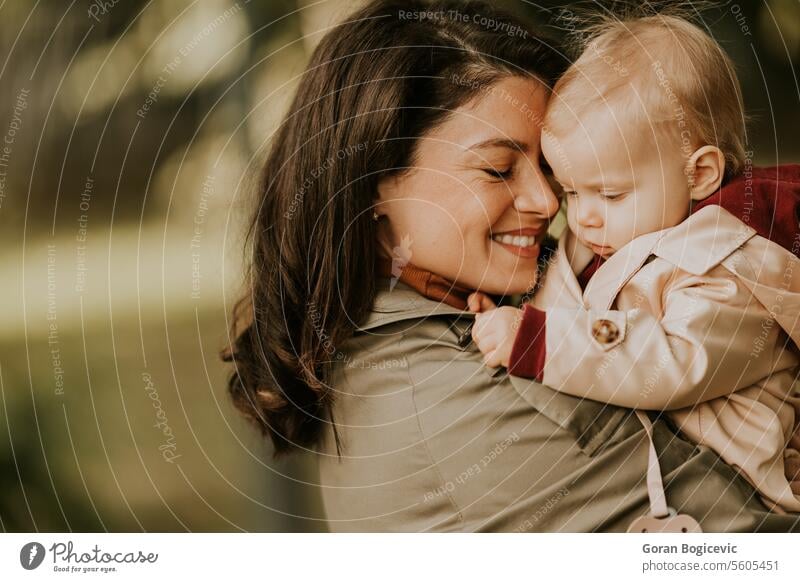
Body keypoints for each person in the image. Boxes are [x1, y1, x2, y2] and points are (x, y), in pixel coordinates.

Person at [223, 0, 800, 531]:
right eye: (498, 171)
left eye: (550, 171)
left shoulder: (439, 313)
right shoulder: (454, 403)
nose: (549, 205)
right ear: (376, 182)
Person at [468, 15, 800, 513]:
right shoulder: (616, 231)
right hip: (661, 476)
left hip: (744, 494)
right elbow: (574, 296)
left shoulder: (731, 268)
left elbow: (672, 361)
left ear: (700, 174)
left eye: (610, 193)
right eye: (572, 191)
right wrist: (508, 305)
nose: (583, 217)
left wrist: (536, 340)